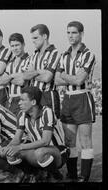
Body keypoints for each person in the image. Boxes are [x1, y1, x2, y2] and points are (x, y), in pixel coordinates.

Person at [55, 21, 96, 182]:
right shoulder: (63, 55)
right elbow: (57, 81)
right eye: (68, 33)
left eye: (74, 33)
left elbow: (80, 79)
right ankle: (72, 174)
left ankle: (84, 176)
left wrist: (64, 75)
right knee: (69, 140)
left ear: (81, 34)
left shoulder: (88, 54)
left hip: (83, 97)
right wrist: (68, 77)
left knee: (85, 140)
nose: (71, 36)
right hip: (68, 99)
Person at [13, 24, 60, 120]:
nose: (33, 41)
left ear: (45, 36)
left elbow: (47, 77)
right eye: (32, 38)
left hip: (48, 95)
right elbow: (25, 76)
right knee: (34, 125)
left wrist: (33, 71)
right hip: (34, 96)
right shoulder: (34, 55)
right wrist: (40, 72)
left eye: (35, 38)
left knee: (50, 125)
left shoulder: (55, 53)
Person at [0, 33, 30, 116]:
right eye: (12, 46)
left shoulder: (29, 60)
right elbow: (1, 81)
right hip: (11, 100)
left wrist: (8, 78)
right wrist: (13, 76)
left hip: (23, 99)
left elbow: (22, 82)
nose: (15, 48)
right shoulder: (10, 63)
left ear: (23, 44)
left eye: (17, 45)